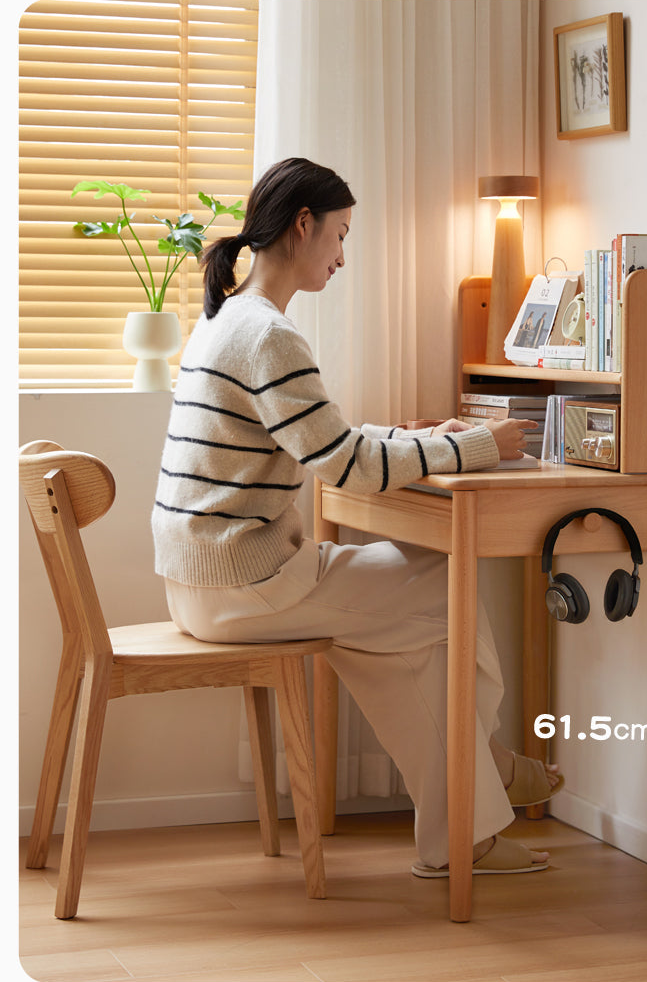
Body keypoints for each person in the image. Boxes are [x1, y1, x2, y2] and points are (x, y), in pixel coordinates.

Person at [152, 157, 563, 877]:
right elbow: (343, 464)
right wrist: (478, 445)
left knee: (400, 643)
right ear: (303, 225)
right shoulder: (269, 335)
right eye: (339, 235)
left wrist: (412, 437)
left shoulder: (226, 320)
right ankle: (489, 768)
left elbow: (320, 440)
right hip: (245, 584)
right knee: (447, 583)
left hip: (201, 581)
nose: (342, 257)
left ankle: (462, 832)